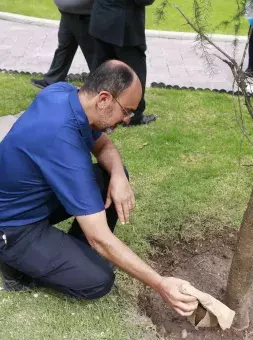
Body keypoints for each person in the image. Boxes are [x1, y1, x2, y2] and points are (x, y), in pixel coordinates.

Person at [0, 60, 198, 316]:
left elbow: (104, 147)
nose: (127, 120)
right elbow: (100, 239)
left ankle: (70, 252)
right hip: (14, 226)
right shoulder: (63, 141)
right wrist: (160, 283)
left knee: (111, 176)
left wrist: (118, 176)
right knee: (98, 280)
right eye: (126, 111)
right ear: (104, 99)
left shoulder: (63, 93)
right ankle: (17, 266)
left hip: (32, 197)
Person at [89, 0, 156, 126]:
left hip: (102, 18)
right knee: (135, 70)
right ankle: (133, 116)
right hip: (124, 25)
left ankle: (94, 108)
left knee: (101, 68)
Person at [30, 0, 95, 89]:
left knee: (93, 54)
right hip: (67, 13)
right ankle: (52, 80)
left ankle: (103, 85)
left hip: (84, 15)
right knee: (64, 48)